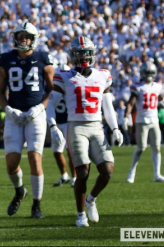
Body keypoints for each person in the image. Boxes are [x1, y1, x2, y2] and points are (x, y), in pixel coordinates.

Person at [46, 36, 123, 227]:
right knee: (82, 172)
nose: (83, 56)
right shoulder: (63, 75)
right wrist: (53, 126)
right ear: (72, 55)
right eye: (79, 53)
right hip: (76, 126)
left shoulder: (103, 74)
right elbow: (50, 105)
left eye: (86, 52)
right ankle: (80, 214)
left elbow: (108, 106)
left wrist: (115, 128)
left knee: (107, 170)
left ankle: (91, 199)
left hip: (96, 126)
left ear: (93, 53)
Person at [0, 22, 54, 219]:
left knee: (34, 158)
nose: (23, 40)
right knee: (11, 163)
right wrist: (8, 109)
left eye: (27, 37)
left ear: (33, 39)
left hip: (35, 115)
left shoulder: (43, 57)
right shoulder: (6, 59)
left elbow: (52, 88)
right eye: (21, 36)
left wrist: (40, 107)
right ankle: (20, 190)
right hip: (15, 115)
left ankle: (36, 205)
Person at [124, 61, 164, 183]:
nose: (149, 75)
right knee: (141, 148)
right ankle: (131, 171)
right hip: (142, 120)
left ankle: (157, 174)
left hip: (154, 120)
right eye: (147, 72)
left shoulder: (157, 86)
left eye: (151, 73)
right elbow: (131, 103)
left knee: (156, 147)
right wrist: (126, 117)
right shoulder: (137, 86)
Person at [45, 63, 76, 188]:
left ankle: (74, 177)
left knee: (70, 152)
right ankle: (64, 175)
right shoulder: (55, 88)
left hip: (68, 122)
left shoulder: (72, 88)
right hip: (57, 123)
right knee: (56, 151)